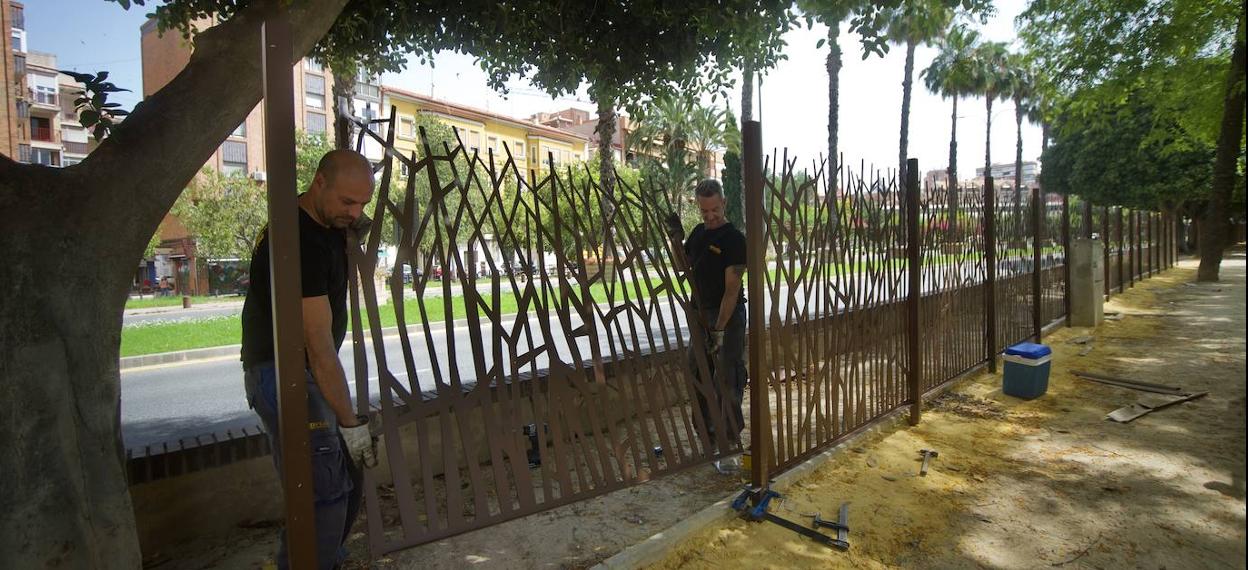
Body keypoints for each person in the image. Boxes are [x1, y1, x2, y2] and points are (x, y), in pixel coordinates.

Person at [239, 149, 379, 569]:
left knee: (346, 481)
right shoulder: (296, 240)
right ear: (319, 182)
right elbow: (318, 347)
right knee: (324, 492)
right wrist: (351, 424)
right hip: (284, 375)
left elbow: (351, 226)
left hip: (305, 370)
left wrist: (353, 220)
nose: (354, 213)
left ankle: (323, 559)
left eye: (362, 205)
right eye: (347, 203)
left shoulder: (327, 221)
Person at [668, 179, 748, 469]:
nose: (710, 216)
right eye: (704, 211)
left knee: (727, 378)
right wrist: (676, 239)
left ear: (723, 203)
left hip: (727, 315)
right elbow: (682, 266)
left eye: (715, 209)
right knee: (698, 373)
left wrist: (719, 329)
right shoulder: (699, 233)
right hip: (700, 314)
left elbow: (731, 290)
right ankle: (708, 441)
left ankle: (728, 447)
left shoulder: (734, 239)